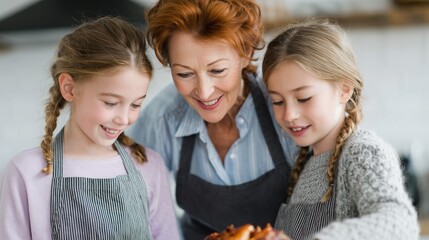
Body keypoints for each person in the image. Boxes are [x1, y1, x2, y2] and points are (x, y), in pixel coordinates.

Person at [128, 0, 298, 239]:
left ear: (246, 53)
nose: (204, 92)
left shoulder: (285, 107)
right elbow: (132, 213)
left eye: (217, 70)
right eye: (184, 74)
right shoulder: (160, 120)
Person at [0, 16, 180, 240]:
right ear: (69, 88)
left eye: (135, 104)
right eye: (111, 103)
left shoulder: (148, 165)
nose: (123, 119)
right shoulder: (26, 172)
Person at [262, 19, 419, 240]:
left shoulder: (362, 152)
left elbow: (399, 221)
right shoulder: (305, 161)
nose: (289, 114)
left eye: (303, 98)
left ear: (344, 90)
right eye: (278, 101)